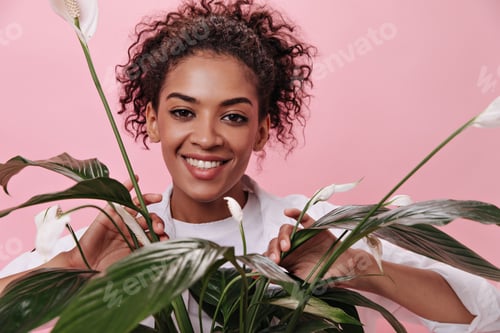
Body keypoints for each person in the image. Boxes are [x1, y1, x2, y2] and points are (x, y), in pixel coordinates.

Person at [1, 0, 499, 332]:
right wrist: (68, 269)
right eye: (182, 111)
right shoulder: (111, 240)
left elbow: (487, 314)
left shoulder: (309, 230)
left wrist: (365, 272)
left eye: (234, 116)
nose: (207, 137)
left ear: (261, 129)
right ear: (151, 120)